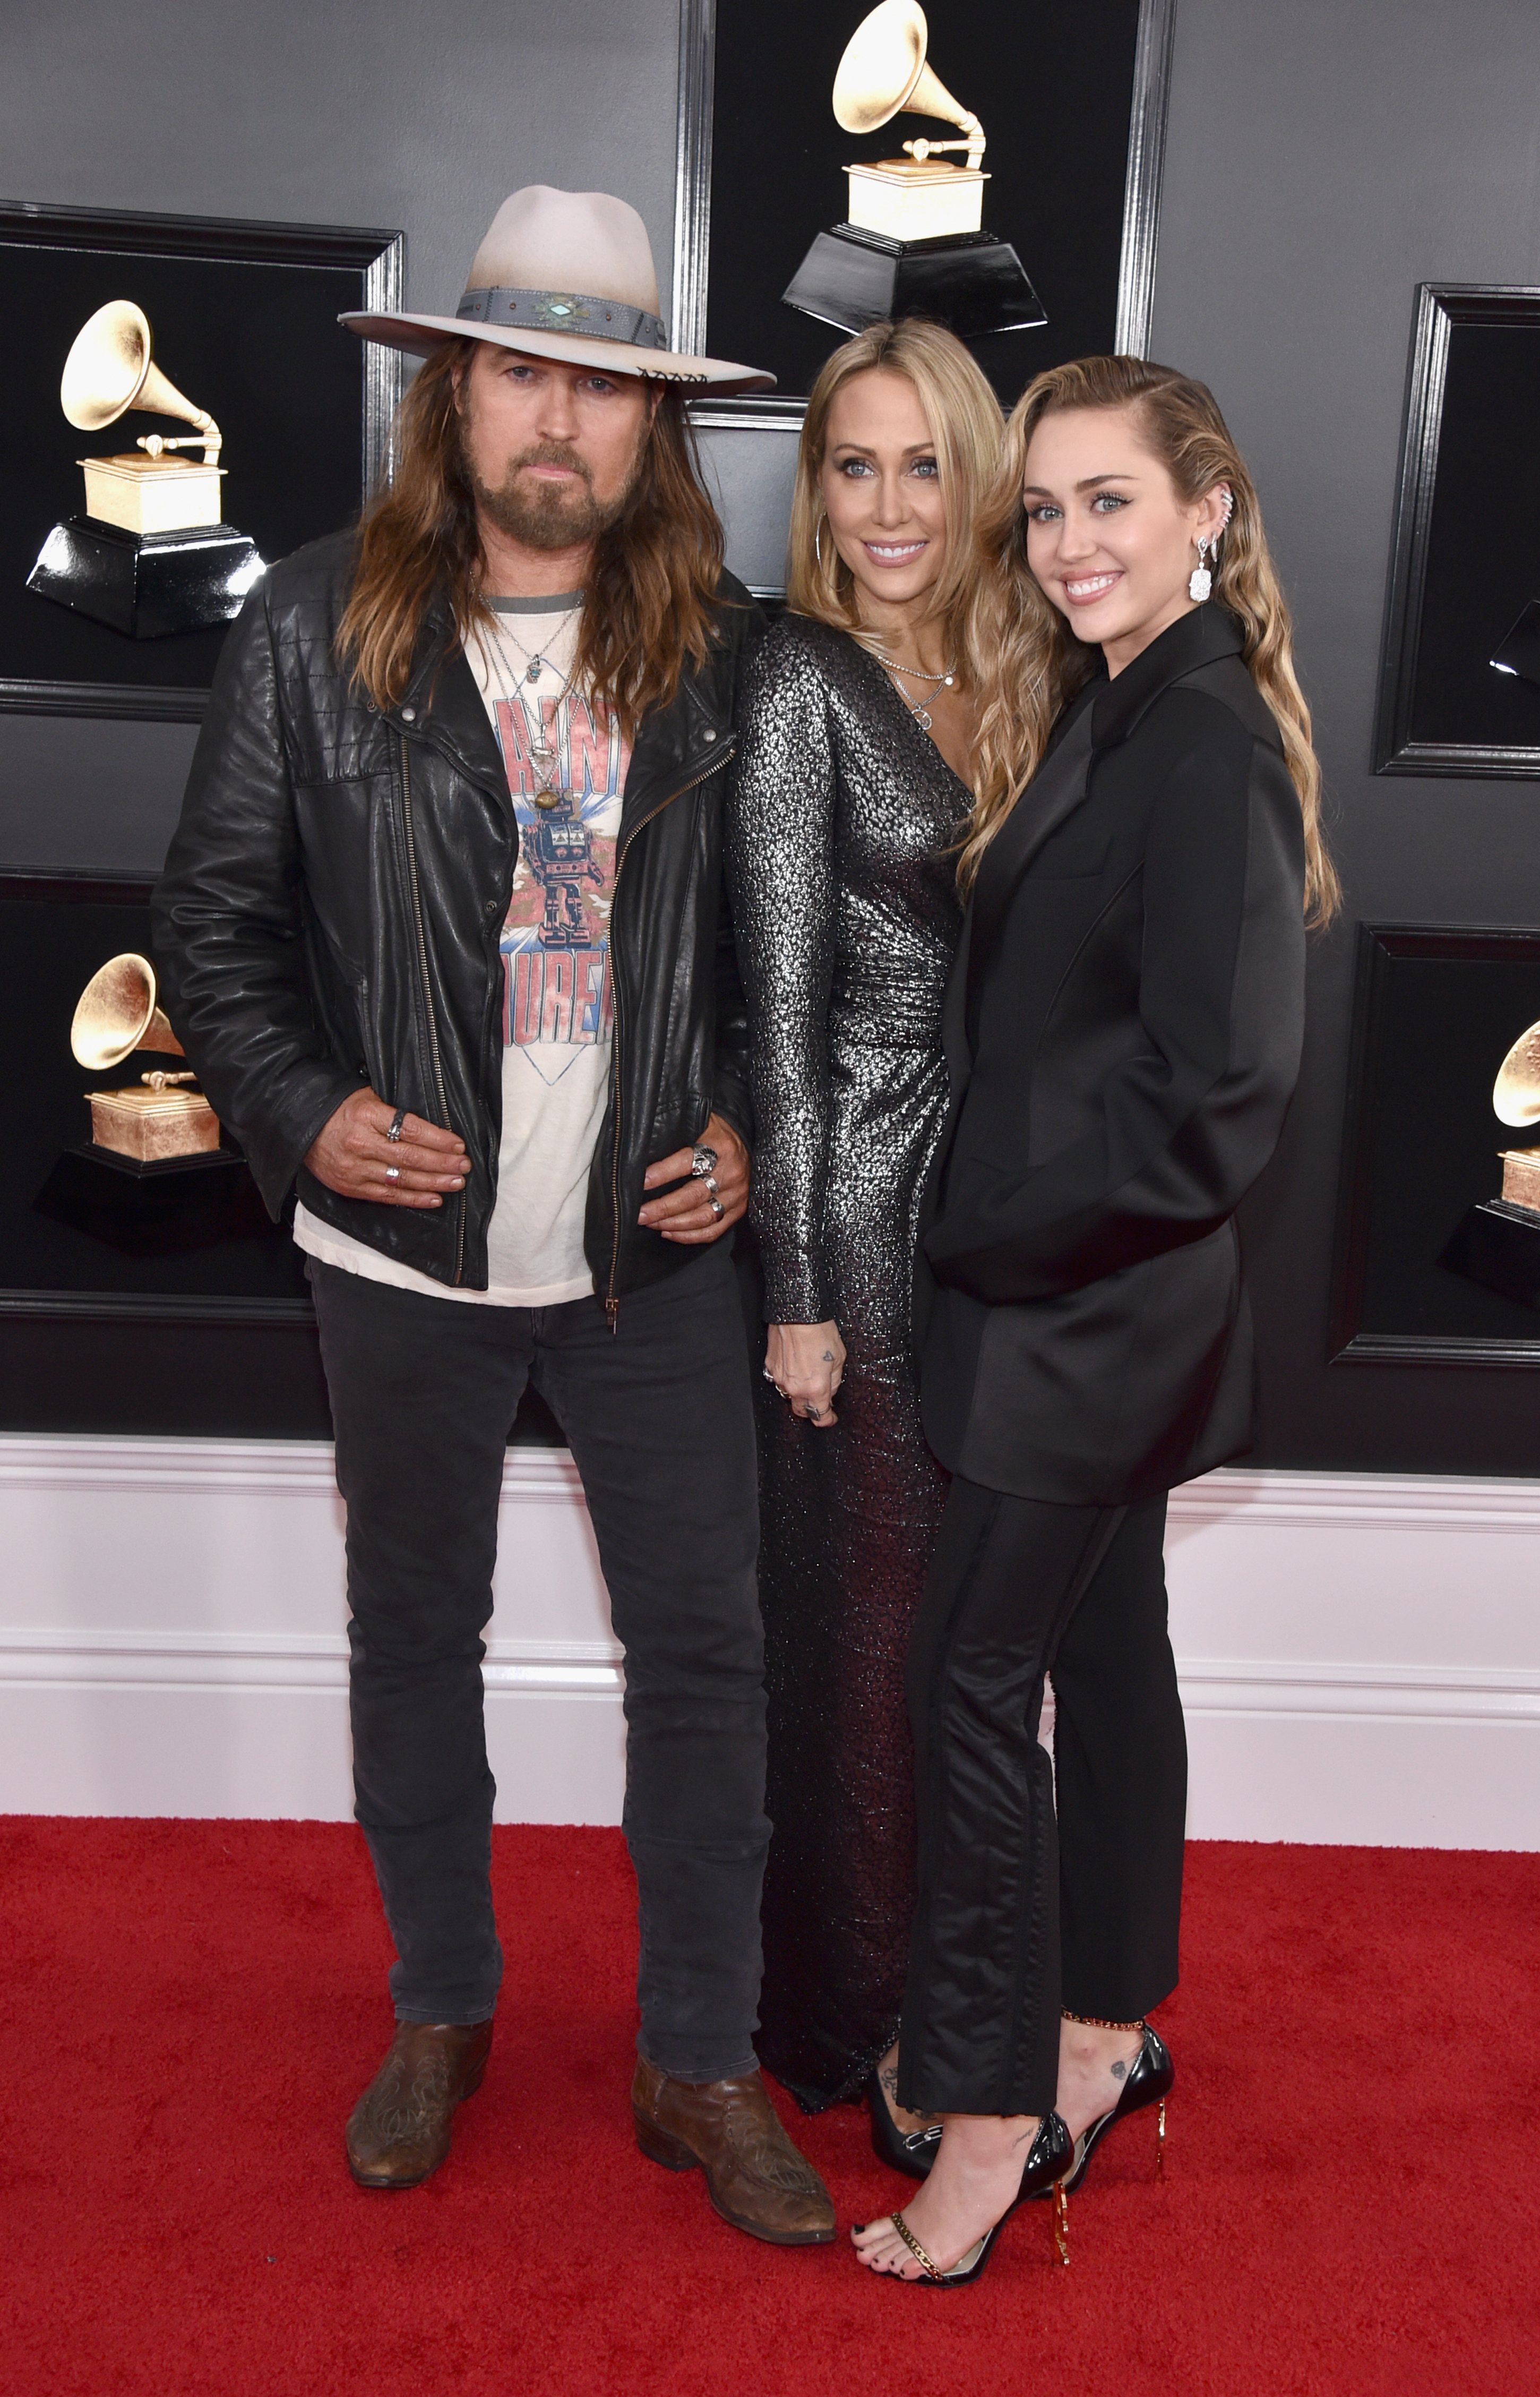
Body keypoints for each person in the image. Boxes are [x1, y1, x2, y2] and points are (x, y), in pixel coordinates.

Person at [152, 184, 837, 2248]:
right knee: (412, 1637)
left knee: (707, 1661)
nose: (559, 417)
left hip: (652, 1267)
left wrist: (742, 1127)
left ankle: (697, 2054)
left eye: (603, 385)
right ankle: (441, 2009)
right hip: (399, 1267)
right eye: (522, 372)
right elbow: (213, 923)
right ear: (452, 397)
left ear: (653, 425)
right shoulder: (308, 628)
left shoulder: (735, 659)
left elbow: (785, 955)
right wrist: (305, 1113)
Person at [853, 353, 1338, 2283]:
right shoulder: (1123, 700)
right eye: (1044, 509)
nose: (1067, 544)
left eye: (1109, 502)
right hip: (1089, 1302)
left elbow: (1222, 1096)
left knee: (968, 1681)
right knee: (1110, 1648)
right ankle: (1102, 2026)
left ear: (1205, 509)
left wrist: (988, 1235)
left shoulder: (1206, 741)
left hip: (1084, 1313)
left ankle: (990, 2119)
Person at [725, 321, 1004, 2122]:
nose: (890, 506)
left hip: (1008, 1211)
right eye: (854, 465)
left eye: (925, 465)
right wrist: (801, 1288)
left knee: (975, 1636)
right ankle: (860, 2023)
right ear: (814, 487)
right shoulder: (796, 677)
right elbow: (779, 1011)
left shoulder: (1027, 662)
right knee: (873, 1634)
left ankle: (967, 1989)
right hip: (864, 1198)